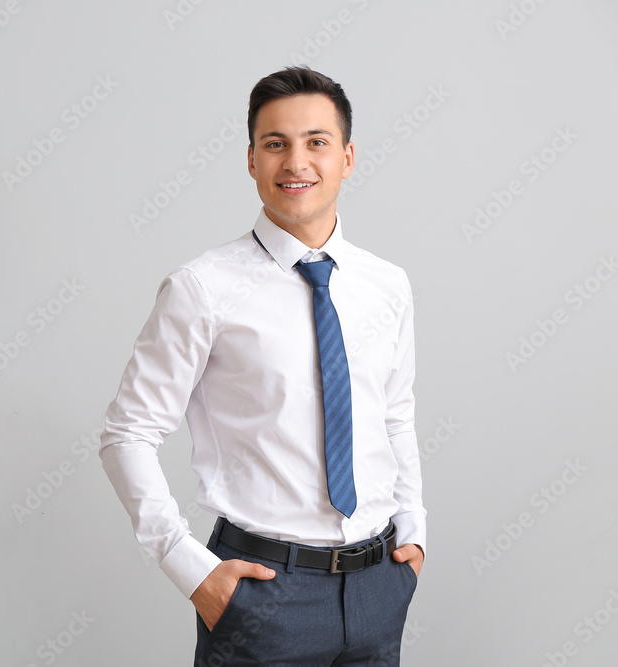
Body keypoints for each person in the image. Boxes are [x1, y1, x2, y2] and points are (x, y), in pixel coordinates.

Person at [99, 66, 426, 665]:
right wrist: (189, 568)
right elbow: (127, 435)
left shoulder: (388, 285)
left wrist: (414, 530)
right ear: (251, 160)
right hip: (265, 593)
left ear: (347, 158)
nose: (295, 162)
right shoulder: (202, 288)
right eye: (275, 144)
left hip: (380, 583)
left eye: (316, 142)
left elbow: (395, 416)